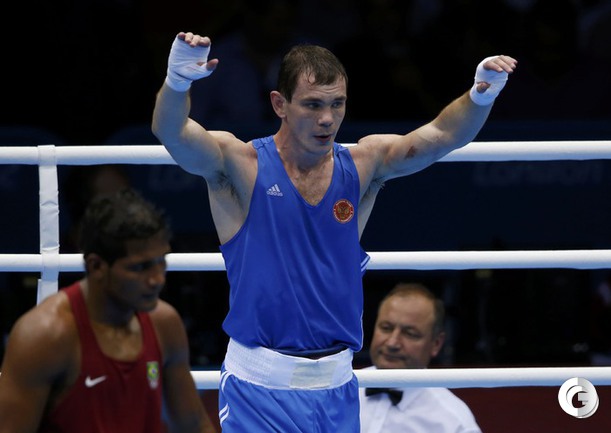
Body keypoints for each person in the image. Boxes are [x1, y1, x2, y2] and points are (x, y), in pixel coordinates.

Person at [151, 30, 516, 432]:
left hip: (338, 388)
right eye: (312, 104)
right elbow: (172, 132)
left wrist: (480, 95)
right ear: (280, 104)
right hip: (259, 390)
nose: (327, 118)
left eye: (336, 103)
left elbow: (442, 135)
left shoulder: (364, 163)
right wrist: (178, 81)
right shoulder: (239, 163)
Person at [0, 188, 217, 433]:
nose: (157, 279)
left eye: (161, 262)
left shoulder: (164, 324)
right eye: (140, 267)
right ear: (96, 266)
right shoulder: (46, 336)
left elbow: (195, 426)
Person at [360, 283, 482, 432]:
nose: (392, 343)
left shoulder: (454, 423)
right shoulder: (341, 389)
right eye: (386, 328)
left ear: (436, 344)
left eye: (410, 334)